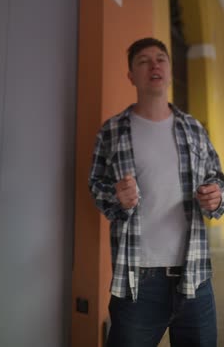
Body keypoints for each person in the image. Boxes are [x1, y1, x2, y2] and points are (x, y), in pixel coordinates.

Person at [89, 37, 224, 347]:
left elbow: (218, 180)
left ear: (169, 68)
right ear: (131, 76)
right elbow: (96, 186)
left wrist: (217, 197)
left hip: (195, 276)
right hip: (138, 281)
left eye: (160, 58)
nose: (154, 65)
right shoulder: (112, 130)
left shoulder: (194, 129)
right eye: (143, 61)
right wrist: (116, 198)